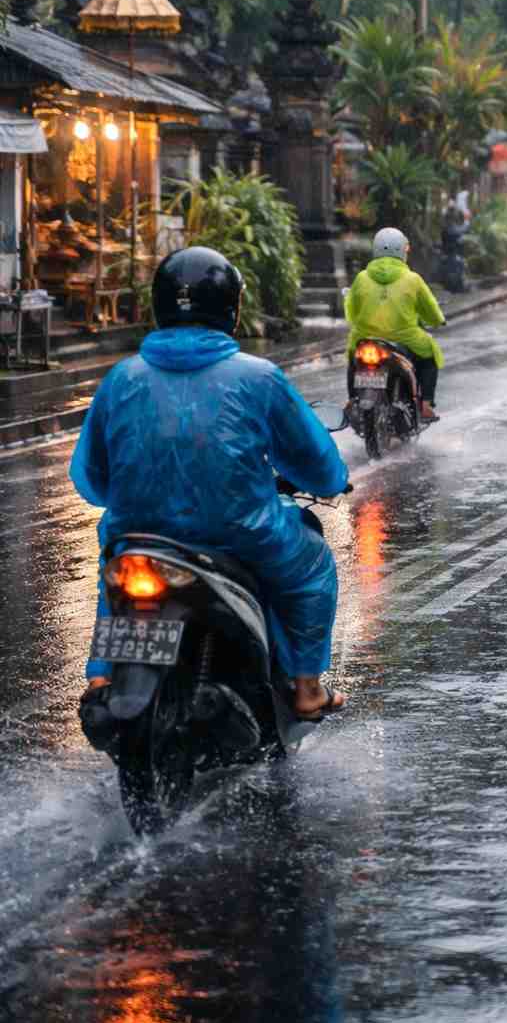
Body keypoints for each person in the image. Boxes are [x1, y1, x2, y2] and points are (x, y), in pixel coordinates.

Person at [71, 247, 350, 721]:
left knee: (117, 569)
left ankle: (101, 676)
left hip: (140, 535)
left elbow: (92, 480)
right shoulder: (259, 378)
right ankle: (306, 688)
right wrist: (332, 480)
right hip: (243, 538)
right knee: (313, 566)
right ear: (232, 309)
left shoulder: (121, 379)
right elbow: (317, 465)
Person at [345, 227, 446, 420]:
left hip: (366, 338)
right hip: (404, 339)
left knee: (354, 358)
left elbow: (351, 311)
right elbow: (431, 310)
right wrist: (438, 320)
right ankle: (425, 405)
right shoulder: (413, 279)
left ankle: (351, 401)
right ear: (402, 251)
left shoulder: (361, 277)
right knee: (429, 358)